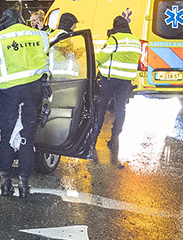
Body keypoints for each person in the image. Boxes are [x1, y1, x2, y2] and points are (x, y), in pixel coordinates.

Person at [0, 8, 50, 198]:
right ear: (21, 19)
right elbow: (46, 60)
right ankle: (24, 185)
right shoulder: (39, 35)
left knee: (6, 139)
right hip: (32, 90)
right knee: (27, 138)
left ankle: (5, 184)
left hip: (8, 92)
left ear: (4, 21)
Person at [91, 14, 142, 153]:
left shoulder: (114, 39)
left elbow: (101, 58)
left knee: (101, 107)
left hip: (109, 80)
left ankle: (93, 139)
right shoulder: (136, 41)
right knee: (121, 109)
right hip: (125, 82)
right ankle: (114, 138)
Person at [47, 12, 81, 79]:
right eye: (74, 24)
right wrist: (82, 50)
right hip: (63, 74)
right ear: (68, 23)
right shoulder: (62, 35)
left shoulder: (55, 34)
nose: (75, 26)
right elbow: (69, 53)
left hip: (57, 74)